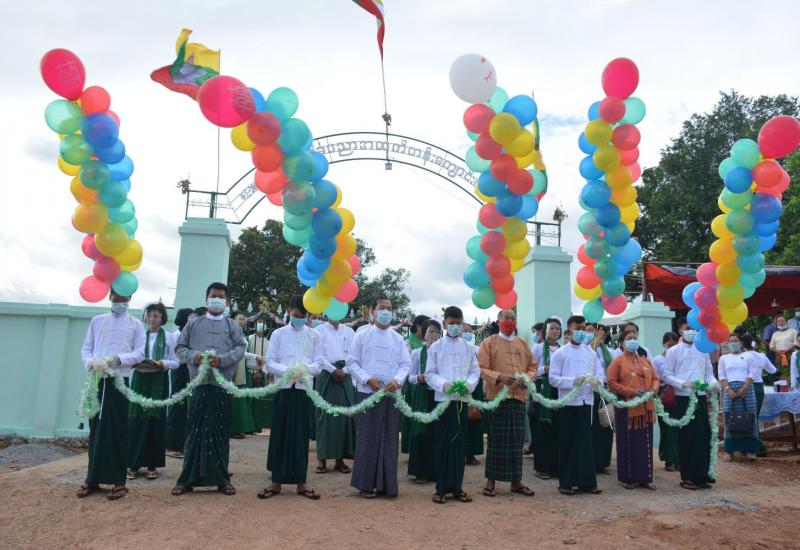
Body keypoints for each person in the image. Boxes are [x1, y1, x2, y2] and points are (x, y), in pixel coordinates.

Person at [172, 282, 246, 496]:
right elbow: (179, 347)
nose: (217, 300)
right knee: (194, 431)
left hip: (221, 386)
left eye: (221, 297)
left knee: (220, 432)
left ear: (227, 301)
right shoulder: (193, 324)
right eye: (214, 296)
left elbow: (241, 347)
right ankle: (187, 480)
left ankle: (222, 480)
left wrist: (222, 360)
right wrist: (194, 356)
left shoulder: (232, 326)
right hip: (198, 384)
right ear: (206, 299)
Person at [77, 289, 145, 500]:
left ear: (130, 298)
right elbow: (86, 348)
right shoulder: (97, 321)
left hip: (119, 380)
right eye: (116, 296)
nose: (119, 300)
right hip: (96, 381)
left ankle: (118, 481)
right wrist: (90, 362)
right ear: (109, 296)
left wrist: (118, 360)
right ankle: (92, 478)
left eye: (124, 297)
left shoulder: (135, 324)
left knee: (117, 429)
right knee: (96, 428)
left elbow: (140, 353)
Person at [258, 295, 322, 500]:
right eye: (296, 315)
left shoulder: (314, 335)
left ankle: (301, 482)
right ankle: (276, 481)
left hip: (304, 390)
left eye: (303, 316)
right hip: (283, 389)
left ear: (308, 315)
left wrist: (304, 370)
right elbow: (269, 362)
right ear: (288, 312)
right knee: (280, 433)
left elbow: (319, 364)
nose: (299, 319)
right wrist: (288, 371)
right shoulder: (278, 334)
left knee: (301, 435)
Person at [347, 297, 411, 498]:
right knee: (367, 437)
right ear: (372, 311)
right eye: (382, 308)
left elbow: (405, 364)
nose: (386, 312)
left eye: (389, 309)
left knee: (389, 438)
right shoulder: (362, 335)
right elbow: (352, 362)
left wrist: (397, 380)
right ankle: (366, 485)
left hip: (391, 394)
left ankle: (387, 485)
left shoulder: (398, 338)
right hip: (368, 393)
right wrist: (367, 380)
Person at [478, 309, 537, 498]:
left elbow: (532, 366)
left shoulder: (522, 343)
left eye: (513, 318)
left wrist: (526, 379)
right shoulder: (489, 342)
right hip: (497, 398)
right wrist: (499, 377)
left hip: (518, 397)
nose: (510, 321)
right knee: (496, 440)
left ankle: (516, 482)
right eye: (506, 318)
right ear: (499, 321)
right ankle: (490, 482)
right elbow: (481, 368)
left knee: (517, 441)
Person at [425, 306, 480, 504]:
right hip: (443, 401)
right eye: (452, 323)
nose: (455, 327)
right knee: (442, 443)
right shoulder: (436, 347)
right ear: (445, 323)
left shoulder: (469, 347)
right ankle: (441, 488)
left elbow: (475, 371)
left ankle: (457, 487)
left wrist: (469, 385)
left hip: (461, 401)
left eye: (459, 323)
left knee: (459, 444)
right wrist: (443, 385)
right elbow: (430, 373)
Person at [550, 315, 606, 496]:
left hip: (586, 401)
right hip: (568, 403)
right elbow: (553, 379)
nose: (581, 332)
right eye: (578, 329)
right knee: (568, 441)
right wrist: (573, 381)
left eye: (583, 328)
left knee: (585, 442)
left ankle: (587, 482)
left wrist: (597, 381)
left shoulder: (591, 353)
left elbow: (601, 375)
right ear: (569, 330)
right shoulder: (560, 353)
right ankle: (566, 483)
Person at [663, 318, 720, 490]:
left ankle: (702, 476)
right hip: (683, 398)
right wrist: (682, 383)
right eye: (687, 328)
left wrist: (713, 382)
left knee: (703, 436)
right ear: (680, 330)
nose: (691, 331)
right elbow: (666, 374)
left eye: (694, 328)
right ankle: (688, 477)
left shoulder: (703, 350)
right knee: (687, 437)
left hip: (701, 397)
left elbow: (708, 373)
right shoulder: (673, 351)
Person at [127, 302, 178, 481]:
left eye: (156, 315)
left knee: (155, 421)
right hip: (139, 379)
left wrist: (162, 363)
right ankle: (132, 464)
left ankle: (151, 466)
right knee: (136, 419)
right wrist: (134, 362)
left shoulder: (169, 337)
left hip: (158, 381)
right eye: (149, 315)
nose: (151, 319)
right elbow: (131, 355)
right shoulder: (139, 335)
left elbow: (176, 361)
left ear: (162, 318)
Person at [606, 329, 660, 490]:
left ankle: (646, 478)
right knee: (628, 442)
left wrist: (654, 388)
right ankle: (627, 478)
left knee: (645, 441)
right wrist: (631, 391)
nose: (633, 341)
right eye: (629, 338)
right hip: (627, 407)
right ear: (622, 343)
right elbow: (611, 382)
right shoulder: (617, 362)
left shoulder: (645, 361)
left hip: (646, 407)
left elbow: (656, 378)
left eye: (635, 338)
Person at [313, 315, 357, 475]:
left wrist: (343, 370)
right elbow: (317, 356)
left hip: (345, 375)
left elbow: (354, 356)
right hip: (326, 375)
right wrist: (332, 370)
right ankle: (322, 459)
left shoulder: (350, 332)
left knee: (344, 417)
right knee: (324, 416)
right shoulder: (319, 330)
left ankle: (340, 459)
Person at [405, 319, 442, 483]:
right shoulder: (417, 353)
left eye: (437, 332)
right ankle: (420, 471)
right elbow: (410, 377)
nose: (434, 335)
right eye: (431, 331)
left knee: (437, 433)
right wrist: (419, 378)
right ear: (424, 335)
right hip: (422, 396)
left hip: (439, 396)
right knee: (421, 433)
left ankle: (435, 471)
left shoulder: (442, 352)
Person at [719, 333, 760, 461]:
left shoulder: (749, 356)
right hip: (729, 390)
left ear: (741, 343)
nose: (733, 343)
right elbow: (721, 375)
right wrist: (728, 389)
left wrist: (744, 388)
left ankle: (750, 450)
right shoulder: (723, 358)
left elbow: (753, 372)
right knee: (728, 417)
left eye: (735, 341)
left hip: (747, 389)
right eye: (730, 341)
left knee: (750, 416)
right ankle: (729, 451)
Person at [531, 319, 561, 480]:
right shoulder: (537, 348)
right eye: (552, 328)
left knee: (557, 428)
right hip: (543, 389)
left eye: (558, 328)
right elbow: (530, 370)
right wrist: (545, 369)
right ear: (545, 331)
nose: (555, 331)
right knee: (543, 428)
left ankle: (555, 466)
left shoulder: (563, 349)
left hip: (559, 389)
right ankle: (541, 467)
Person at [400, 314, 431, 455]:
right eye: (426, 327)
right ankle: (411, 448)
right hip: (413, 385)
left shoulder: (431, 342)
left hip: (428, 384)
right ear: (418, 327)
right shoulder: (408, 343)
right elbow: (407, 365)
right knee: (412, 416)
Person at [165, 308, 194, 459]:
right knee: (177, 405)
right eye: (191, 317)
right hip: (179, 371)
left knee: (185, 408)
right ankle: (171, 444)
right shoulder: (176, 335)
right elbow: (178, 357)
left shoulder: (189, 334)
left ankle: (182, 443)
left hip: (187, 371)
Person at [742, 334, 776, 456]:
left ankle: (755, 447)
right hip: (759, 387)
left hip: (746, 386)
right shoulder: (761, 356)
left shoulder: (742, 356)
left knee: (746, 417)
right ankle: (753, 446)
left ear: (742, 344)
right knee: (754, 417)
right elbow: (772, 370)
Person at [587, 323, 613, 475]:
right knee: (592, 427)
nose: (591, 333)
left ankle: (603, 461)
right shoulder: (586, 349)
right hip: (590, 390)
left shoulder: (607, 351)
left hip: (605, 390)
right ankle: (591, 460)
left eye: (593, 330)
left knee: (605, 425)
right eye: (588, 330)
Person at [653, 332, 681, 471]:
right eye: (669, 345)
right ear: (663, 344)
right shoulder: (657, 360)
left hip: (679, 394)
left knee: (679, 428)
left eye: (674, 345)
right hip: (663, 396)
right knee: (667, 428)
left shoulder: (679, 357)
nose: (671, 348)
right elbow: (654, 378)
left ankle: (679, 459)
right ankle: (669, 459)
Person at [230, 311, 256, 439]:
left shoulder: (243, 334)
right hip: (234, 368)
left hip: (243, 369)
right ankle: (234, 429)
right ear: (233, 320)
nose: (242, 321)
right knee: (235, 399)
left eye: (243, 319)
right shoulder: (231, 334)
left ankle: (241, 428)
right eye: (239, 319)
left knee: (242, 400)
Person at [462, 324, 486, 466]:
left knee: (474, 420)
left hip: (474, 388)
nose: (467, 333)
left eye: (470, 331)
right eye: (465, 331)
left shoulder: (477, 349)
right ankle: (459, 453)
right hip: (457, 388)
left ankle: (471, 454)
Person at [248, 316, 273, 432]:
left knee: (259, 399)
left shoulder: (268, 342)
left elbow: (268, 359)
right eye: (259, 322)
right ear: (255, 325)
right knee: (249, 399)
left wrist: (261, 372)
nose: (261, 324)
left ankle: (257, 426)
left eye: (263, 323)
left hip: (261, 374)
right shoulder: (249, 339)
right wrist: (252, 371)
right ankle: (249, 426)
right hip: (249, 373)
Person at [769, 315, 798, 390]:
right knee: (781, 373)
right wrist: (778, 351)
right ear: (776, 323)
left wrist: (787, 350)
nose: (781, 323)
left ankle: (792, 388)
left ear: (786, 322)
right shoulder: (775, 334)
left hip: (791, 354)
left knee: (792, 372)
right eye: (779, 321)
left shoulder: (793, 331)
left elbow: (796, 343)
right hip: (779, 356)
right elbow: (771, 346)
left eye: (782, 321)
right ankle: (784, 389)